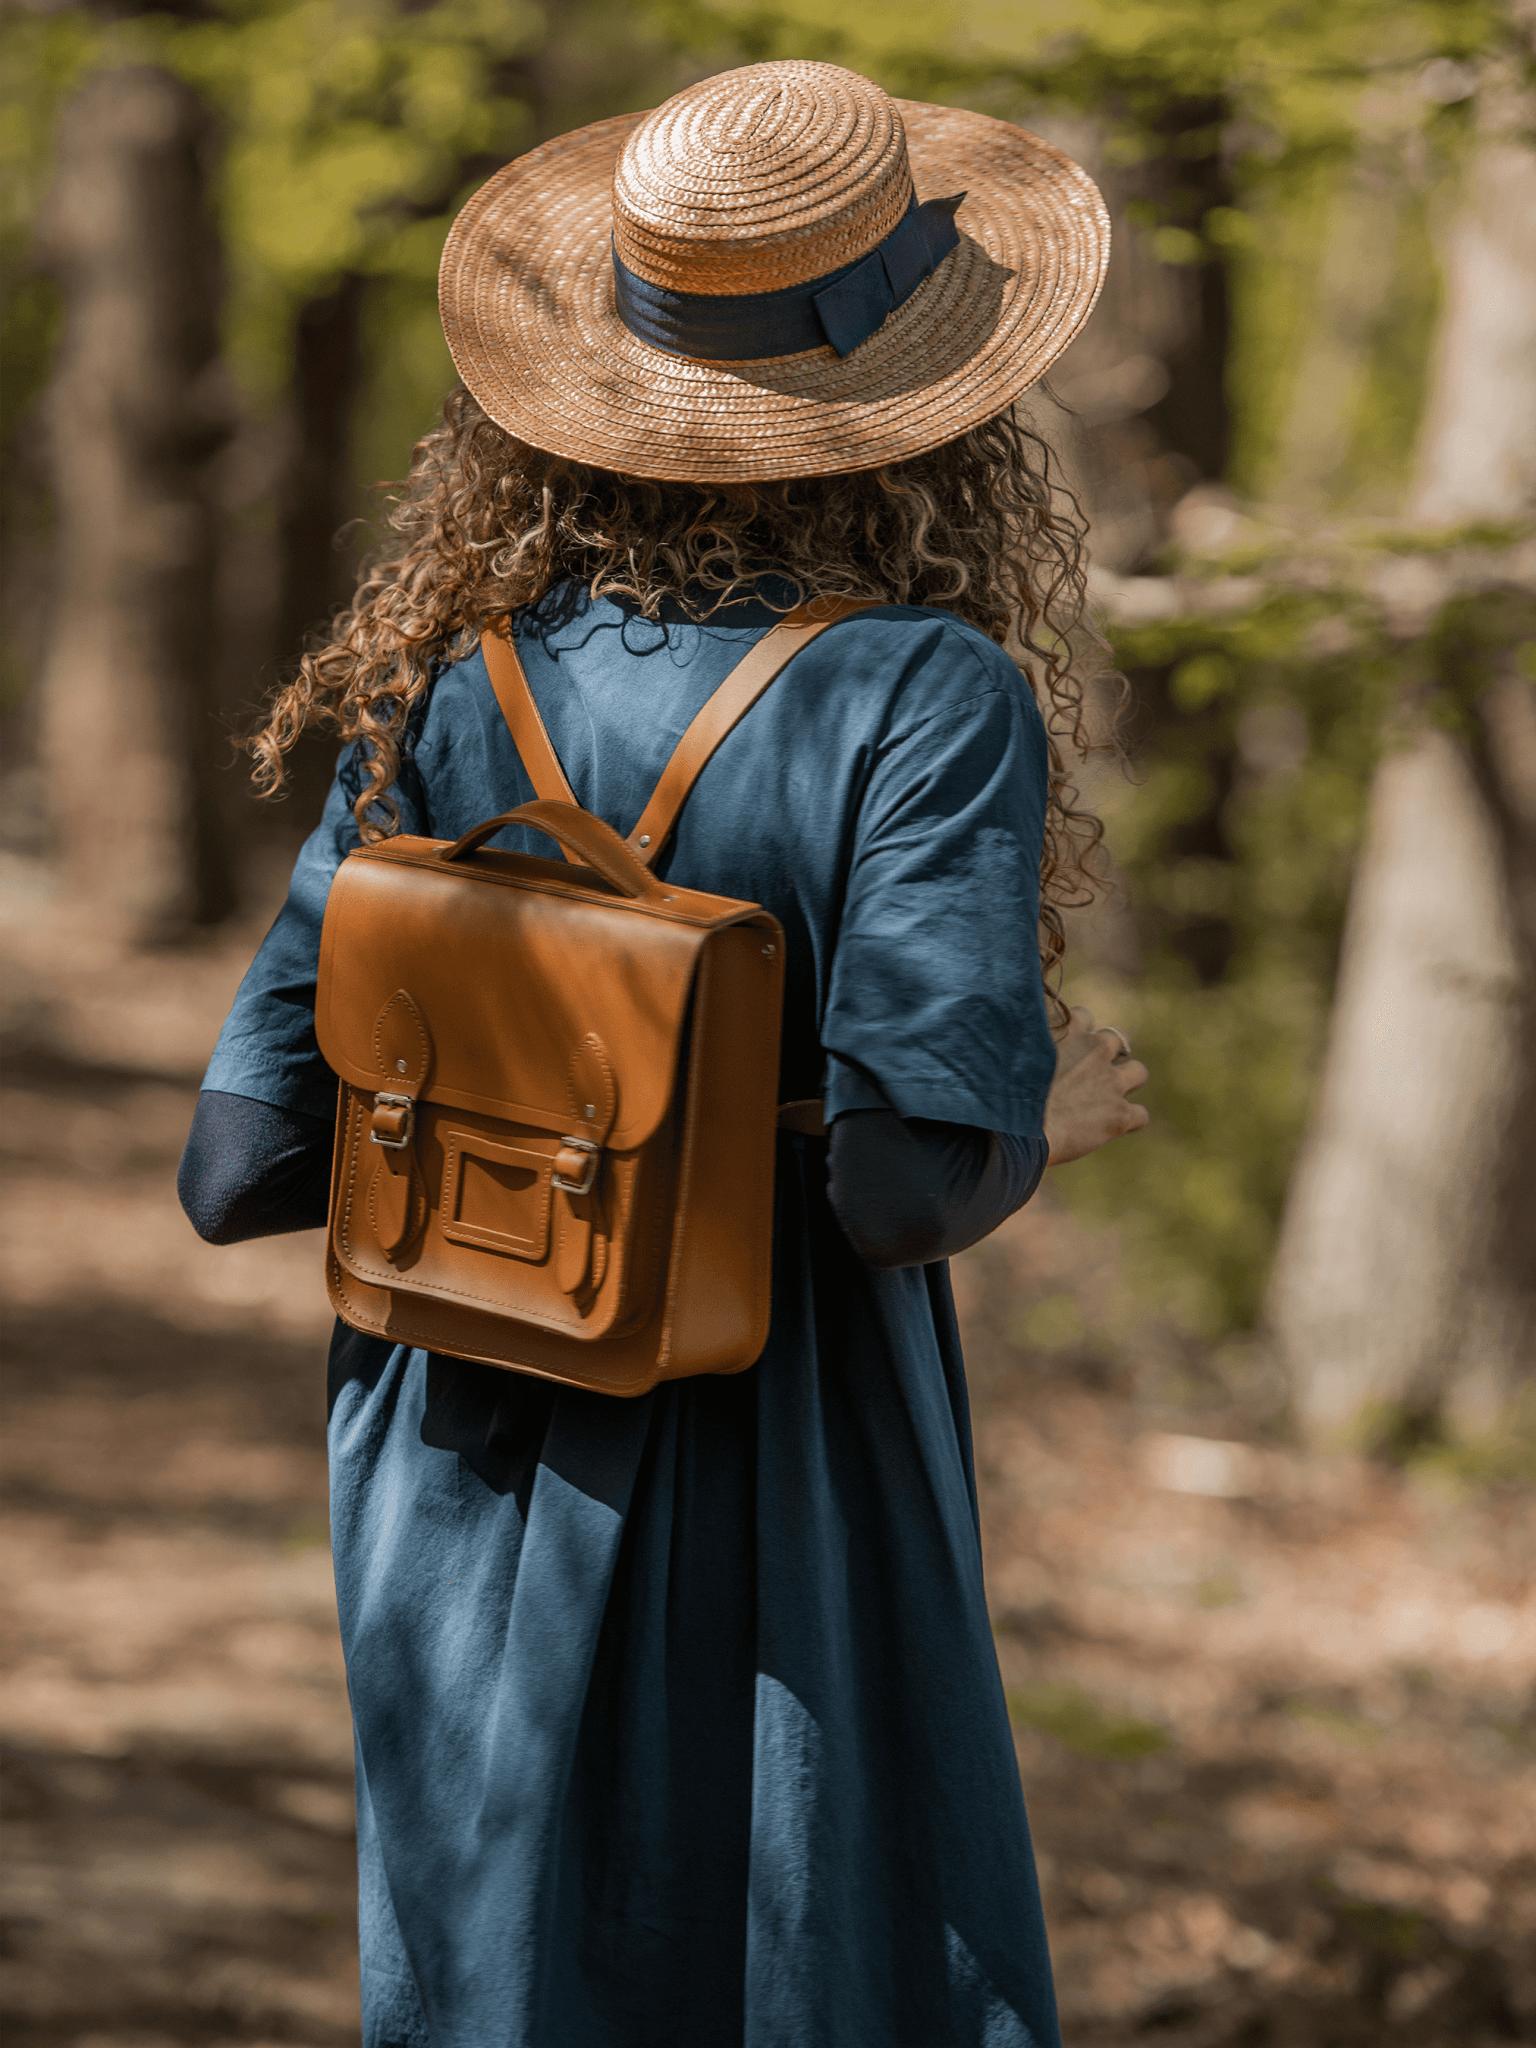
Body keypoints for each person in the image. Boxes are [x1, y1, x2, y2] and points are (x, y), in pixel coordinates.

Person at [179, 58, 1148, 2048]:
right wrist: (1042, 1113)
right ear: (934, 419)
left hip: (446, 1458)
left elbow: (239, 1163)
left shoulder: (441, 679)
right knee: (802, 1966)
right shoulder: (923, 692)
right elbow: (899, 1184)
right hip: (770, 1442)